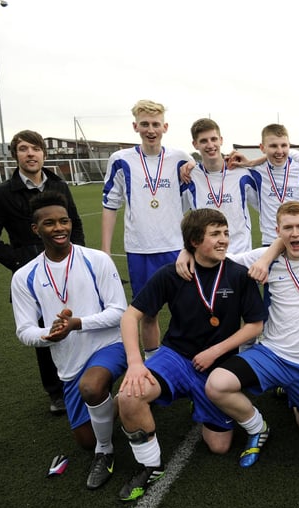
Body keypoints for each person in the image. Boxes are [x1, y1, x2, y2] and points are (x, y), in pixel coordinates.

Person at [116, 209, 265, 501]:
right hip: (176, 356)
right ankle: (151, 466)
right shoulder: (172, 273)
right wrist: (135, 363)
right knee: (129, 395)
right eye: (215, 234)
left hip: (217, 368)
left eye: (225, 232)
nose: (224, 240)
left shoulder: (237, 274)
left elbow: (255, 325)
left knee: (220, 446)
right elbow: (129, 317)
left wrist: (216, 350)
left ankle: (214, 407)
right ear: (195, 241)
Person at [11, 192, 127, 490]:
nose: (59, 228)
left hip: (109, 347)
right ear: (35, 229)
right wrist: (47, 335)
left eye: (64, 221)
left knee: (92, 388)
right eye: (49, 223)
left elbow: (119, 312)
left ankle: (106, 452)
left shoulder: (96, 260)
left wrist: (78, 324)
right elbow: (24, 330)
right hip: (68, 362)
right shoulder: (25, 276)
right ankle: (122, 404)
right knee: (85, 440)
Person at [203, 201, 299, 467]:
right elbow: (217, 261)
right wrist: (186, 253)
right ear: (277, 231)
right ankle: (257, 427)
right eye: (288, 228)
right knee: (217, 385)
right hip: (271, 353)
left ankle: (296, 398)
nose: (295, 234)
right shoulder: (264, 258)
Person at [0, 130, 85, 414]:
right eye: (23, 149)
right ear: (15, 155)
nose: (30, 154)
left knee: (75, 322)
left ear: (43, 154)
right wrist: (21, 263)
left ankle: (84, 378)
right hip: (34, 275)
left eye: (35, 148)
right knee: (45, 331)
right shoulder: (2, 193)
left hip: (67, 267)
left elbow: (76, 223)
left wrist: (79, 257)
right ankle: (56, 392)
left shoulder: (58, 184)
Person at [102, 99, 192, 356]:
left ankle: (187, 359)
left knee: (185, 310)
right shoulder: (120, 159)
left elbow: (194, 197)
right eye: (144, 124)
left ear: (165, 126)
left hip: (176, 248)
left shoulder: (180, 158)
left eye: (155, 124)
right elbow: (110, 204)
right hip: (140, 250)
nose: (150, 129)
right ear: (135, 126)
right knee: (147, 313)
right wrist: (105, 251)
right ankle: (152, 361)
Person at [182, 118, 261, 254]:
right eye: (203, 141)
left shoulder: (242, 173)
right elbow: (177, 215)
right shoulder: (190, 176)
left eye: (214, 139)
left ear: (221, 140)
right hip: (207, 256)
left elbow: (263, 207)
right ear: (195, 144)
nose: (210, 145)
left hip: (241, 254)